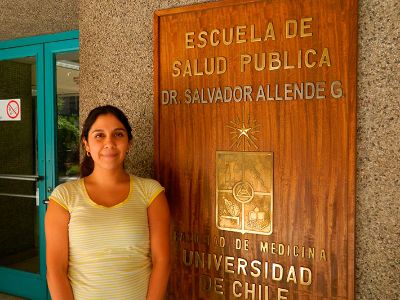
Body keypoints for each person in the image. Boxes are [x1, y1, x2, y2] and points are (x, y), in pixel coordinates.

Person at [45, 105, 170, 299]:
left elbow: (162, 261)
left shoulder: (150, 192)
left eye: (118, 134)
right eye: (99, 135)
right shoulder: (64, 197)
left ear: (129, 143)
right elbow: (55, 270)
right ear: (86, 144)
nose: (109, 143)